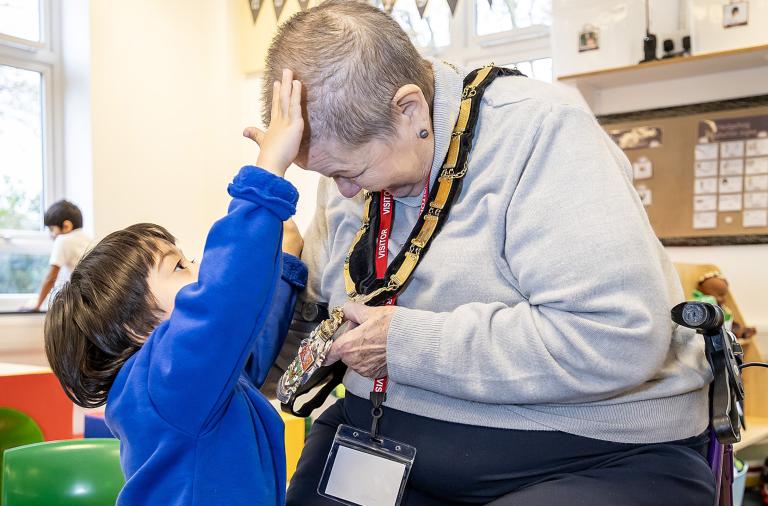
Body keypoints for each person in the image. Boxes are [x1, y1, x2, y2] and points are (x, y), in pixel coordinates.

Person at [244, 1, 716, 504]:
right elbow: (312, 327)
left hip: (585, 450)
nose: (339, 193)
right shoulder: (350, 167)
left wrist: (405, 345)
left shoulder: (542, 130)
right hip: (382, 432)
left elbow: (617, 337)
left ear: (409, 110)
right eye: (327, 174)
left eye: (349, 173)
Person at [44, 74, 306, 505]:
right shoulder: (163, 383)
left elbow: (249, 354)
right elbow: (223, 308)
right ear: (135, 328)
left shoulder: (183, 380)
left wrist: (283, 263)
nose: (198, 268)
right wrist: (266, 179)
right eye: (179, 266)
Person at [31, 200, 91, 311]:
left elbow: (51, 278)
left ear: (66, 226)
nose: (51, 235)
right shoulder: (88, 238)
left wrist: (37, 306)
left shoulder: (63, 240)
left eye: (52, 229)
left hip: (76, 303)